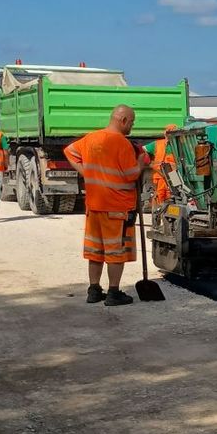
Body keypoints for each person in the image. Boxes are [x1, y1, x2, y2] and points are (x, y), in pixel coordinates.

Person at [64, 105, 150, 306]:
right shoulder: (121, 143)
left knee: (96, 251)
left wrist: (85, 171)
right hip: (117, 207)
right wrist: (141, 162)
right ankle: (113, 293)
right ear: (123, 120)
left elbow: (69, 151)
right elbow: (131, 175)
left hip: (94, 205)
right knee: (115, 252)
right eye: (132, 122)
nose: (132, 126)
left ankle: (93, 290)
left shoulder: (91, 139)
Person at [143, 124, 178, 205]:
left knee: (174, 195)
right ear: (165, 133)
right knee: (160, 194)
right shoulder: (157, 144)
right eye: (168, 132)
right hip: (160, 174)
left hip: (174, 174)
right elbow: (142, 150)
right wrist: (149, 162)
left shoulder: (178, 145)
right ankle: (159, 212)